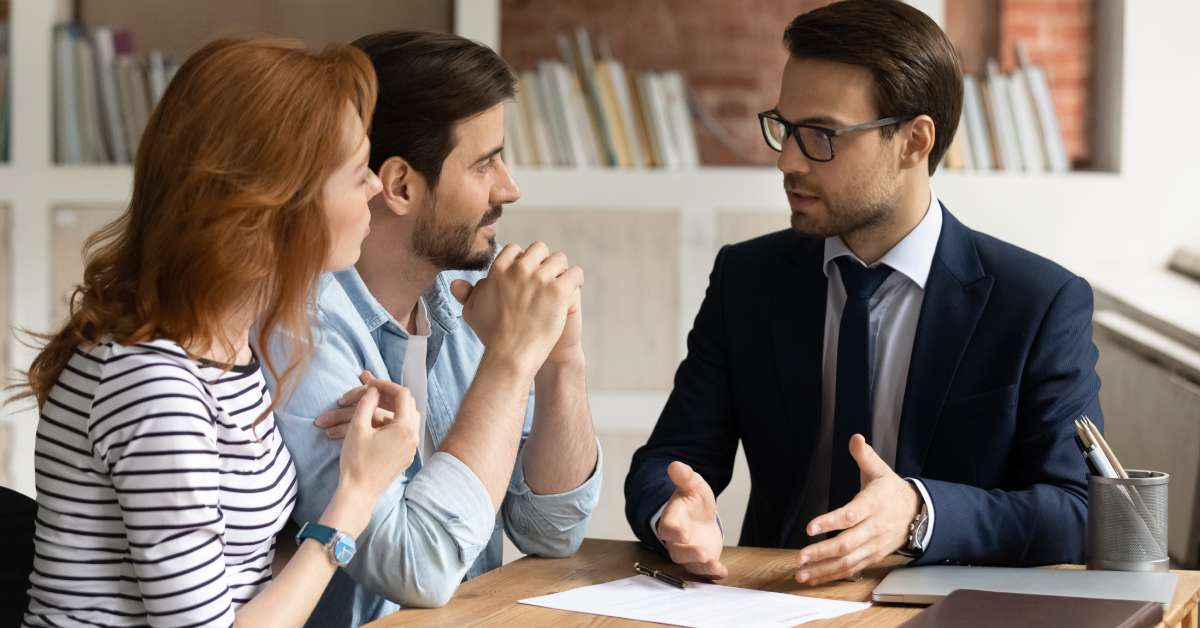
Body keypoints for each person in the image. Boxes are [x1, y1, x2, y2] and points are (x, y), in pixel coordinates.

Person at [625, 0, 1100, 585]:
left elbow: (1077, 510)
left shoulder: (1038, 302)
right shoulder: (747, 279)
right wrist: (672, 512)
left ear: (914, 142)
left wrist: (921, 513)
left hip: (945, 609)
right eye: (785, 128)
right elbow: (669, 459)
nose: (787, 161)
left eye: (822, 135)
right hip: (770, 599)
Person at [14, 36, 421, 627]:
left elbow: (238, 575)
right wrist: (357, 495)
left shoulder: (225, 347)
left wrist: (352, 461)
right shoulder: (150, 381)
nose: (378, 190)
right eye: (358, 172)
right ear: (275, 203)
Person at [268, 30, 601, 624]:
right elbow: (414, 568)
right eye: (485, 163)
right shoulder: (302, 328)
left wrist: (560, 362)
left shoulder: (462, 301)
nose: (510, 188)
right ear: (399, 185)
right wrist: (511, 360)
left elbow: (552, 531)